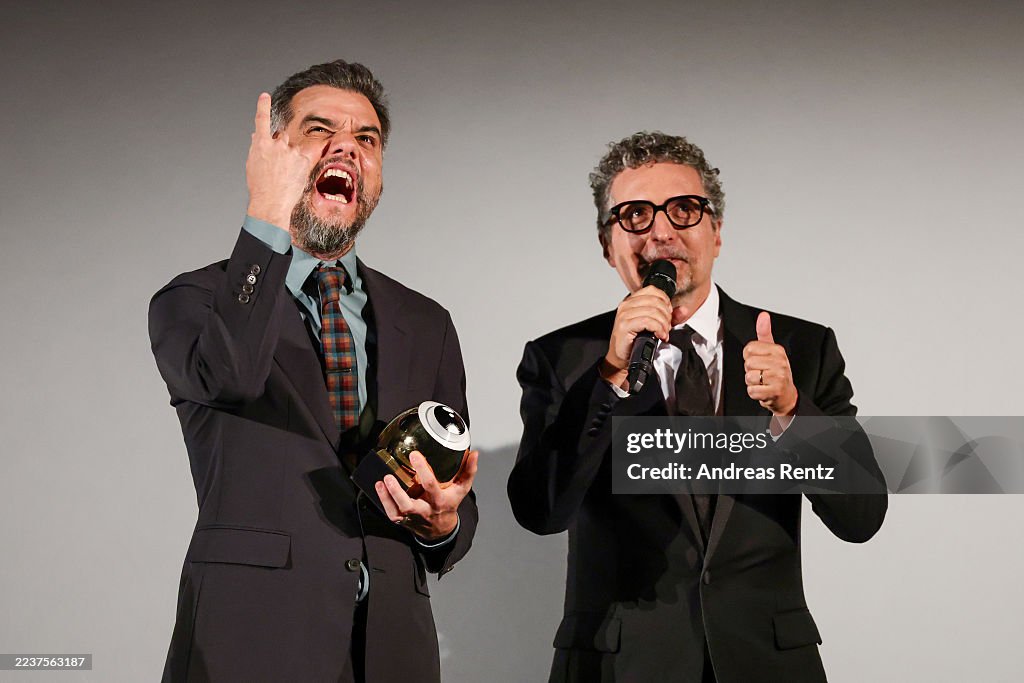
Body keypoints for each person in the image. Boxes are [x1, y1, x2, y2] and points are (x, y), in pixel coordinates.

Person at [507, 132, 887, 682]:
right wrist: (610, 378)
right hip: (619, 667)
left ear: (716, 232)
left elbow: (861, 516)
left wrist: (791, 410)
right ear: (606, 243)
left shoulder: (800, 349)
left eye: (684, 210)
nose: (661, 231)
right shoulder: (562, 359)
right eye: (635, 214)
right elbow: (540, 511)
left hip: (768, 663)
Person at [149, 59, 478, 683]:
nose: (346, 149)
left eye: (366, 140)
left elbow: (454, 493)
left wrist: (445, 524)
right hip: (247, 646)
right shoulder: (193, 300)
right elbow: (230, 378)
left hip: (392, 652)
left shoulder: (427, 322)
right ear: (274, 154)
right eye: (318, 130)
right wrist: (265, 213)